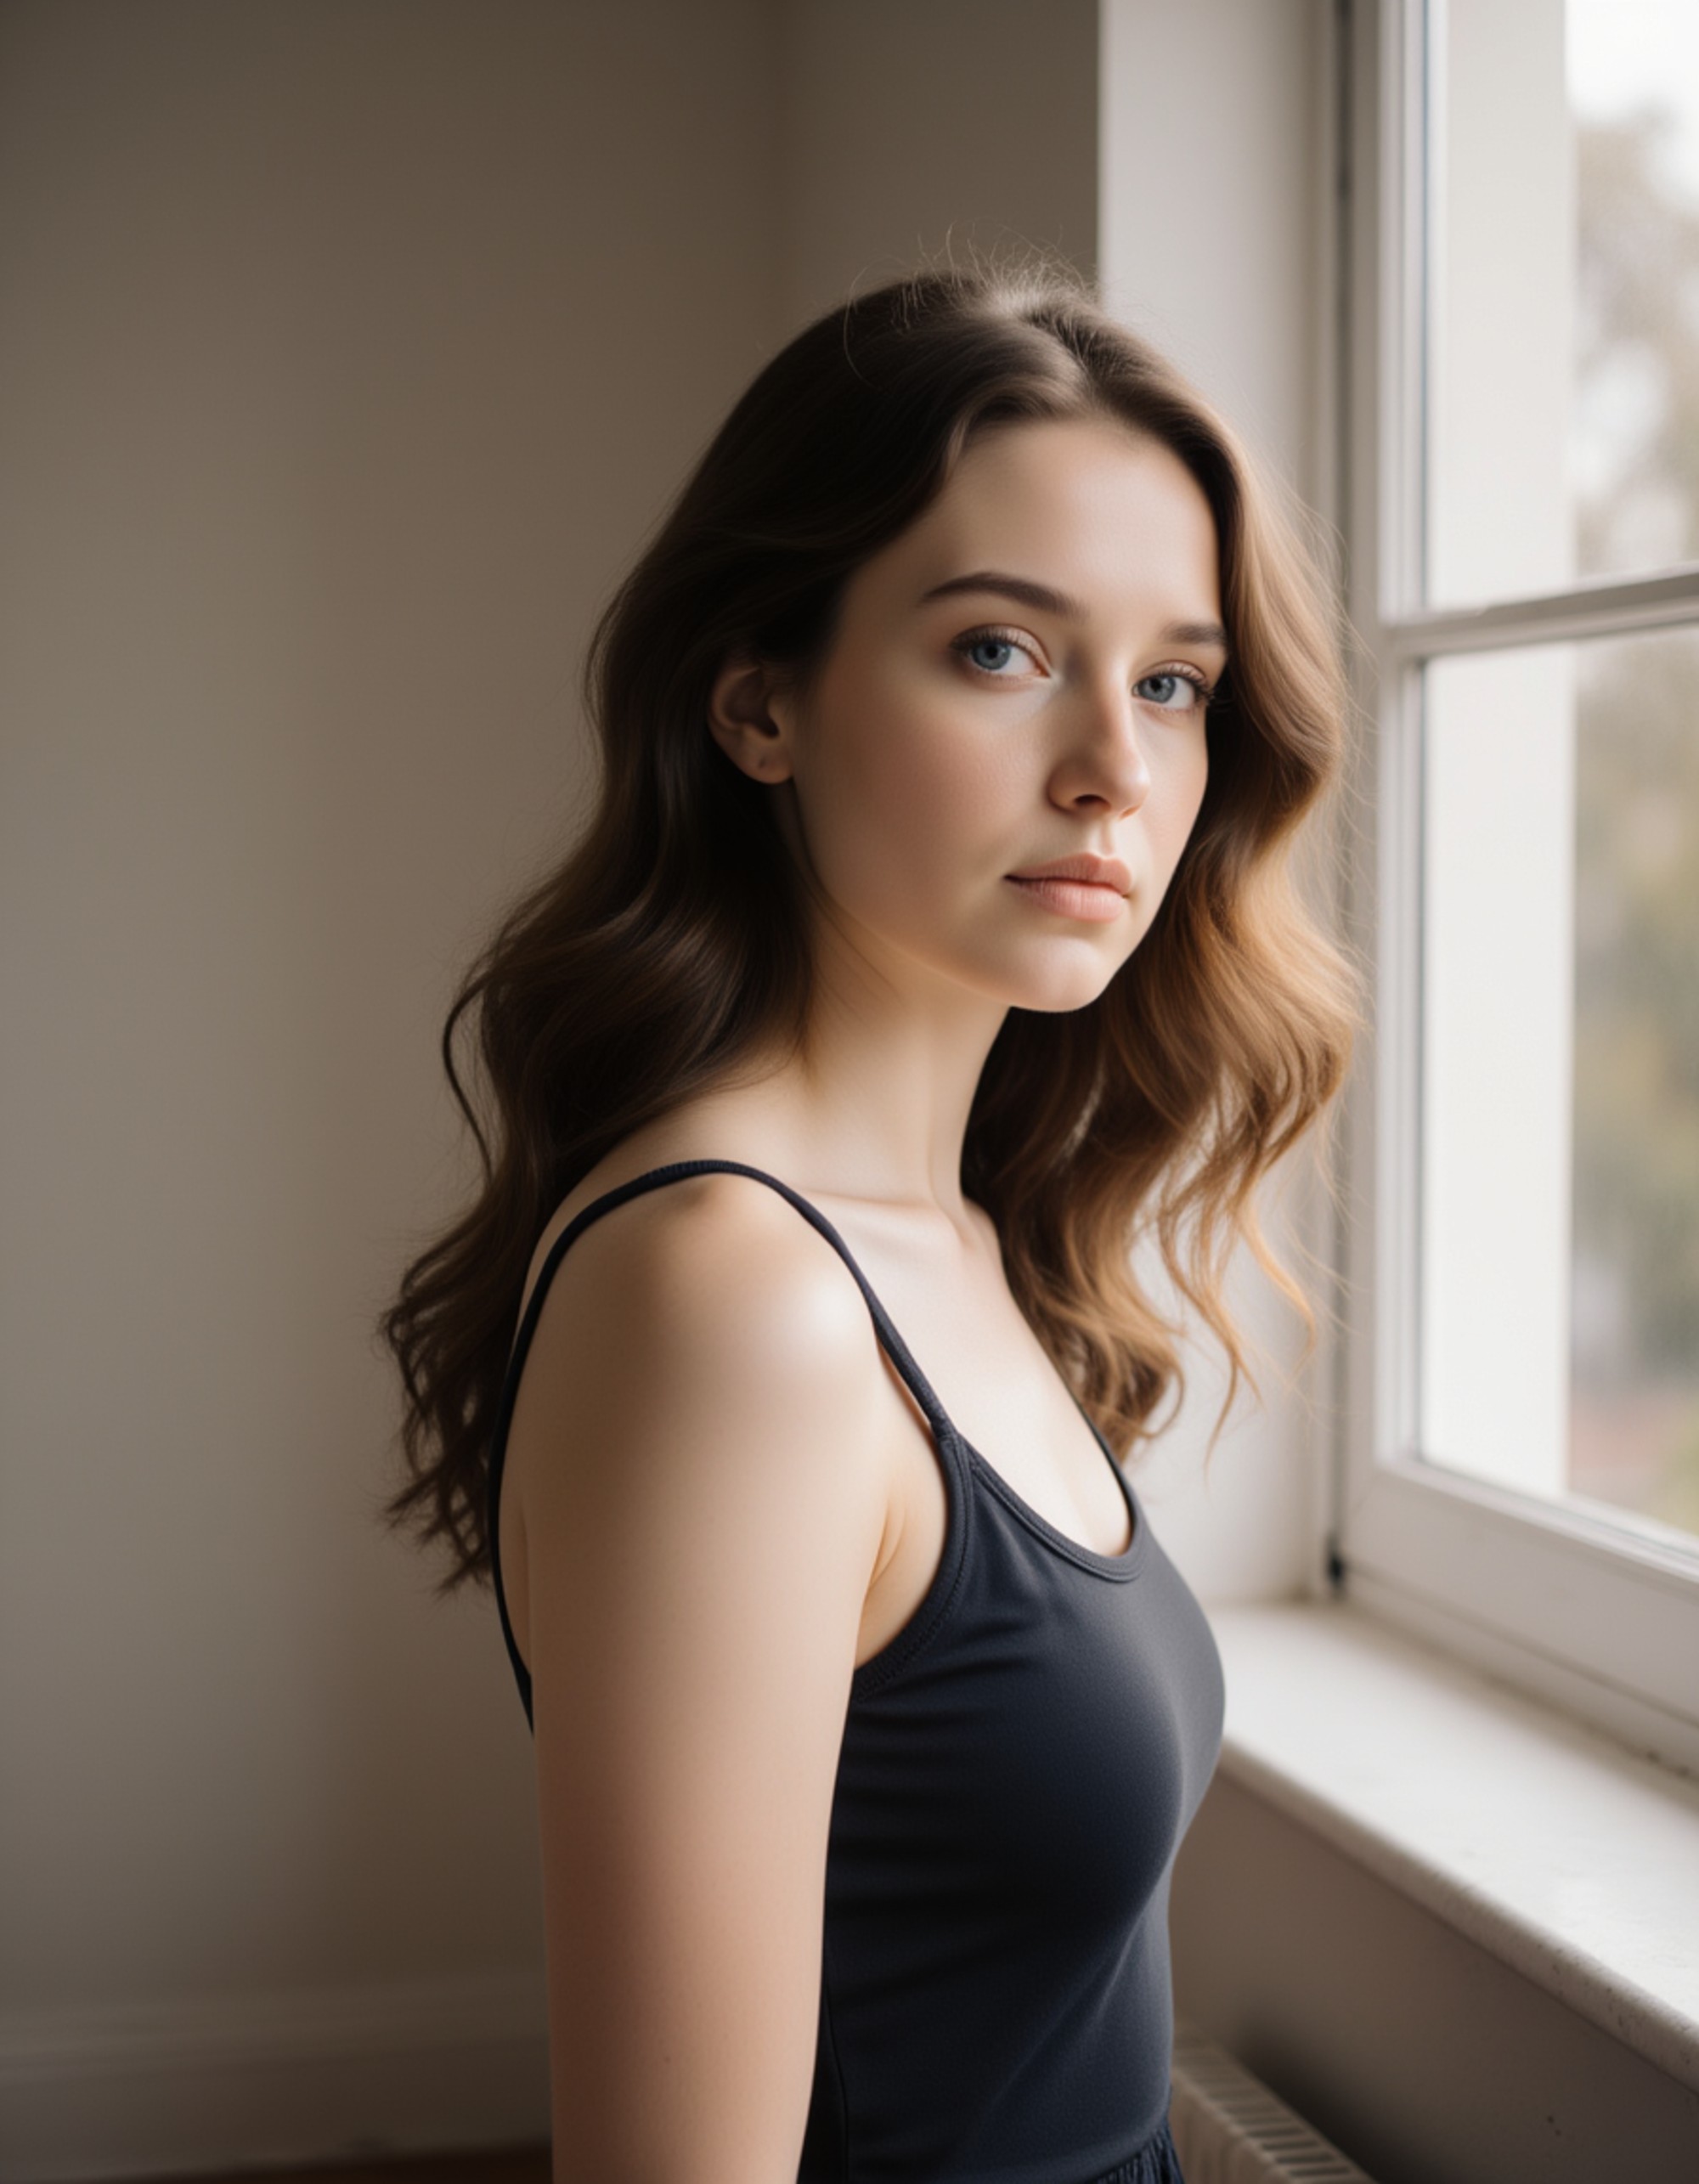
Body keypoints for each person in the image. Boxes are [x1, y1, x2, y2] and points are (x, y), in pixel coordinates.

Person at [380, 257, 1354, 2184]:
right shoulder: (738, 1298)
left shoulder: (966, 1236)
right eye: (1002, 649)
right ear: (758, 700)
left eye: (1171, 680)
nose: (1117, 768)